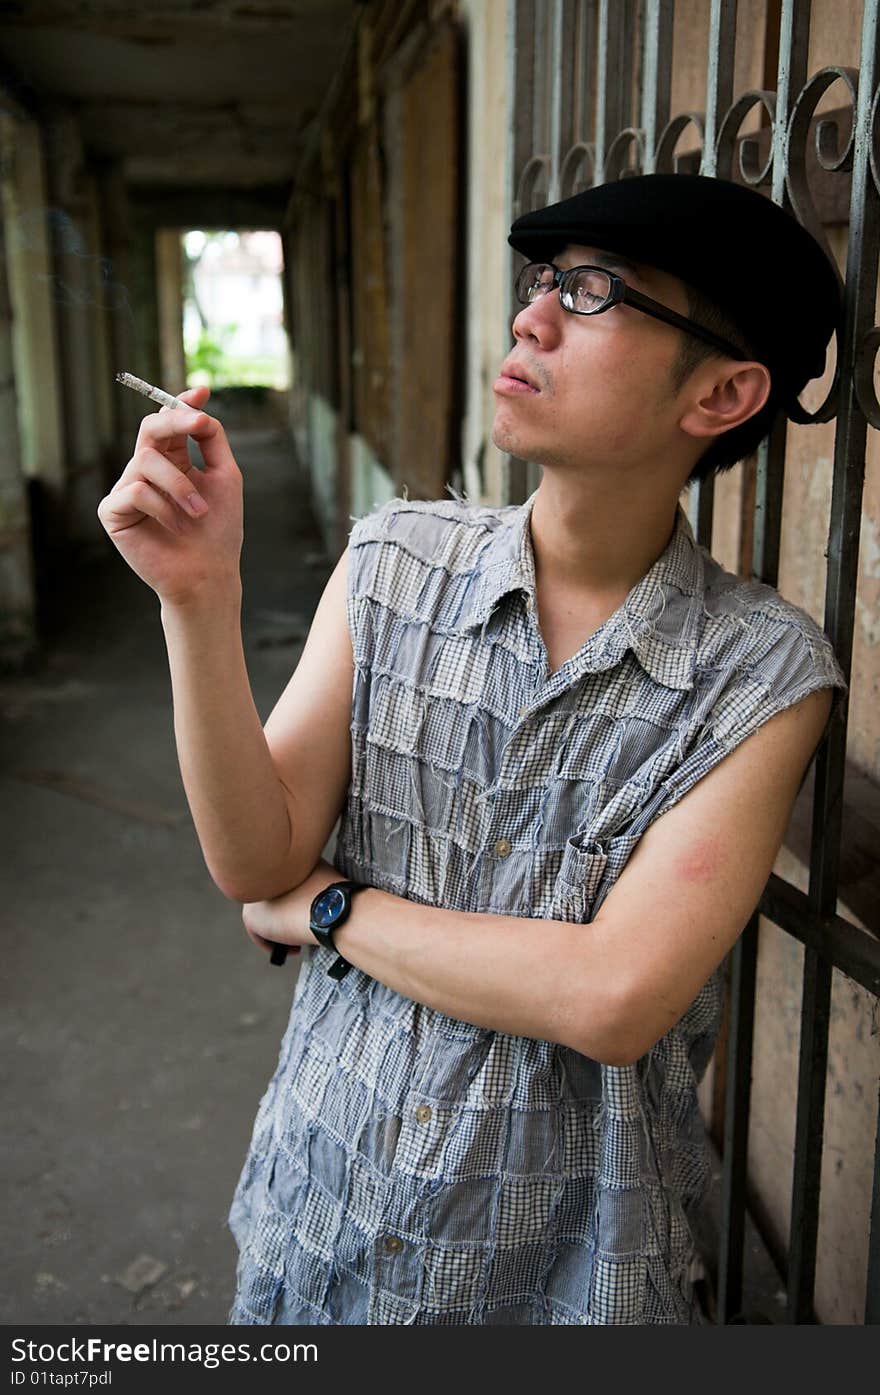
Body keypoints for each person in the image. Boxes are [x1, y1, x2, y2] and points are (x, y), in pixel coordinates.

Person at [97, 173, 846, 1325]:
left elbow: (610, 997)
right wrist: (198, 600)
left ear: (723, 391)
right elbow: (255, 862)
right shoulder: (394, 562)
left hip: (558, 1281)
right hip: (323, 1210)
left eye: (595, 294)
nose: (530, 316)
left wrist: (332, 910)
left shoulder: (758, 675)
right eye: (544, 281)